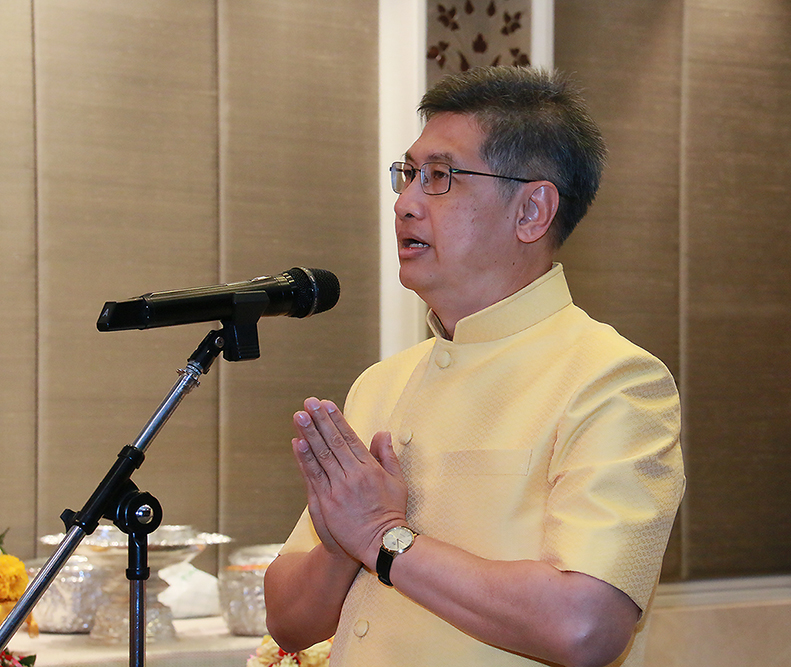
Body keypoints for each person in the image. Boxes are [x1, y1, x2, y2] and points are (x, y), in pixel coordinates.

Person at [264, 66, 685, 667]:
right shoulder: (381, 382)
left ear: (532, 211)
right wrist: (342, 544)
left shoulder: (613, 381)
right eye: (408, 174)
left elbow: (585, 626)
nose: (406, 203)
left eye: (440, 177)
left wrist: (383, 537)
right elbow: (287, 622)